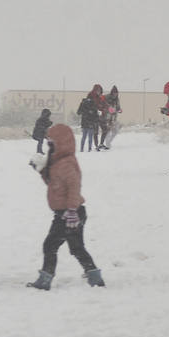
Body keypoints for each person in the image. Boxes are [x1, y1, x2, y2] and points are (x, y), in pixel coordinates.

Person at [26, 123, 105, 289]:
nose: (49, 145)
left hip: (69, 213)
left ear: (61, 142)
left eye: (52, 142)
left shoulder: (67, 163)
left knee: (50, 245)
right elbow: (53, 183)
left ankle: (45, 279)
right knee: (76, 248)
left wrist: (71, 211)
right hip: (68, 212)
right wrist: (41, 170)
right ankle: (94, 277)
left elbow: (74, 188)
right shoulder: (56, 161)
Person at [77, 85, 103, 153]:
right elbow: (95, 114)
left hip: (85, 122)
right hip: (91, 123)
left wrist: (84, 112)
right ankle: (89, 149)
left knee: (84, 137)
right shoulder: (93, 104)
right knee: (90, 137)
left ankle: (82, 149)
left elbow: (78, 112)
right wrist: (96, 119)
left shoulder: (83, 103)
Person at [98, 85, 122, 150]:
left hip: (114, 117)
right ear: (112, 92)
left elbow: (118, 107)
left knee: (116, 130)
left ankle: (108, 142)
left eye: (116, 93)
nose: (115, 94)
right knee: (107, 131)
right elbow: (102, 104)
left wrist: (119, 110)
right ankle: (107, 144)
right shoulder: (106, 97)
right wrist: (108, 108)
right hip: (106, 117)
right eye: (114, 93)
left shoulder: (117, 99)